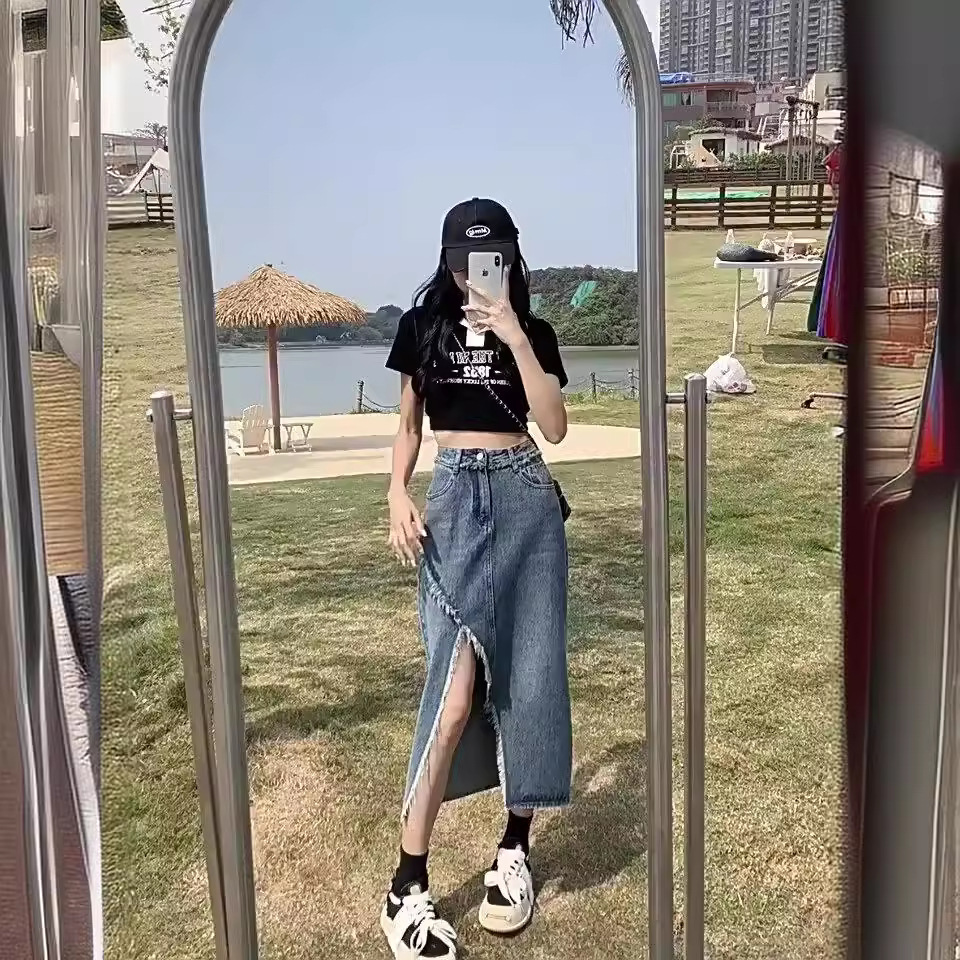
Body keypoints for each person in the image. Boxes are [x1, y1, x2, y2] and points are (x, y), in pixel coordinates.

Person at [379, 198, 573, 959]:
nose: (473, 276)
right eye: (462, 263)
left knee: (529, 679)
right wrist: (396, 493)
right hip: (455, 501)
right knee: (453, 694)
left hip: (525, 497)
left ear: (511, 259)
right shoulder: (421, 326)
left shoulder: (536, 332)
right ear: (447, 260)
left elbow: (553, 426)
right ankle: (407, 884)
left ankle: (514, 848)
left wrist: (515, 333)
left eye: (487, 261)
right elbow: (407, 426)